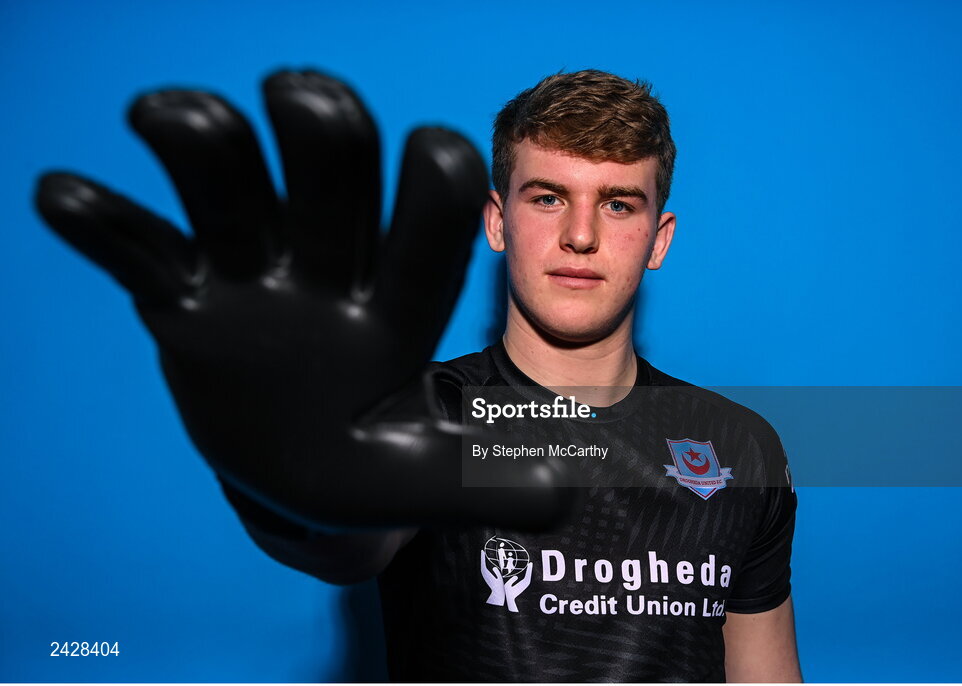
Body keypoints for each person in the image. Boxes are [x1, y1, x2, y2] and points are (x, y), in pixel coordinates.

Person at [36, 68, 799, 682]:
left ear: (658, 238)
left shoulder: (739, 444)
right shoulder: (419, 409)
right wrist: (285, 485)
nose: (579, 234)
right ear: (497, 221)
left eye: (619, 203)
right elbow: (346, 543)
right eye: (548, 197)